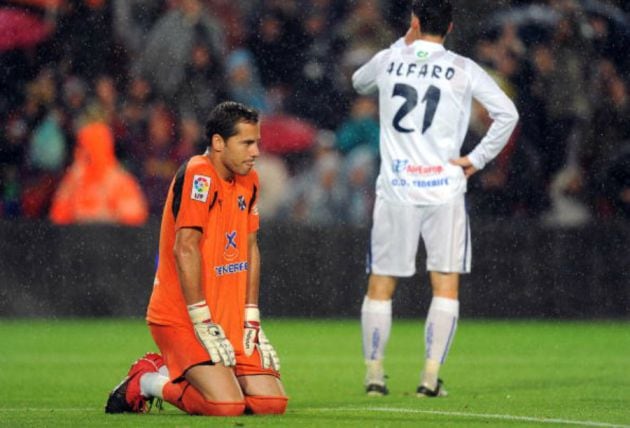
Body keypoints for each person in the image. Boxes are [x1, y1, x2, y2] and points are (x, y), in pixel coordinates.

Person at [352, 0, 519, 397]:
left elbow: (359, 82)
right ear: (450, 26)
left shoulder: (390, 59)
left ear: (414, 22)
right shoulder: (463, 68)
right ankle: (429, 377)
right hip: (444, 188)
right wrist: (477, 159)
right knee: (444, 284)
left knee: (381, 283)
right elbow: (508, 114)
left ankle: (374, 375)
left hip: (396, 188)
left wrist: (400, 42)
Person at [105, 101, 288, 416]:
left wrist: (251, 318)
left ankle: (203, 373)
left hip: (228, 318)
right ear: (218, 142)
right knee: (225, 405)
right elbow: (184, 248)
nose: (256, 151)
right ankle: (148, 380)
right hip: (184, 318)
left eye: (256, 142)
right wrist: (202, 318)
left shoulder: (250, 180)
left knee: (270, 404)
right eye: (246, 142)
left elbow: (250, 248)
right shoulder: (198, 175)